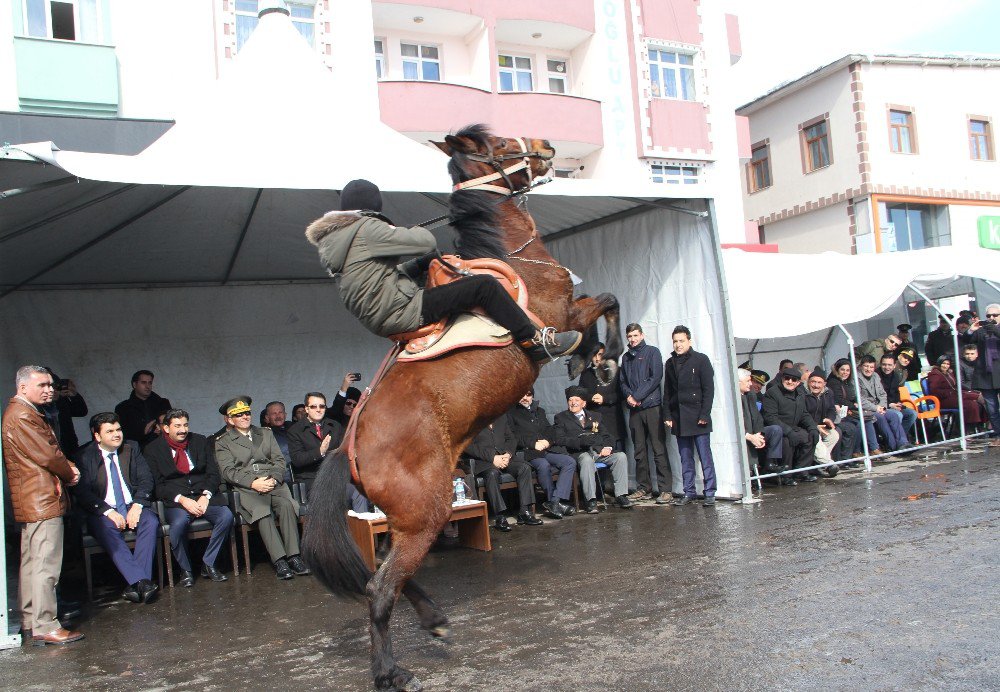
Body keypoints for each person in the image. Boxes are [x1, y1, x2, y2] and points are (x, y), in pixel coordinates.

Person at [304, 179, 582, 362]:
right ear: (372, 208)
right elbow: (426, 241)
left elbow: (376, 278)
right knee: (483, 286)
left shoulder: (338, 241)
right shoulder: (366, 229)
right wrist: (397, 231)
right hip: (403, 311)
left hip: (380, 318)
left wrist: (418, 265)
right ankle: (534, 341)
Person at [2, 365, 83, 645]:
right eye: (42, 385)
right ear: (23, 387)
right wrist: (70, 471)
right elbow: (48, 455)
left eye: (51, 384)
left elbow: (49, 452)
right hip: (41, 499)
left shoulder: (23, 413)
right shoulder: (23, 415)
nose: (49, 389)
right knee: (45, 565)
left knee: (32, 563)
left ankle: (30, 620)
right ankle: (45, 624)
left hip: (34, 498)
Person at [214, 396, 309, 580]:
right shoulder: (223, 441)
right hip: (247, 488)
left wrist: (273, 478)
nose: (244, 417)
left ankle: (294, 556)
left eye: (247, 413)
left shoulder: (265, 433)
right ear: (230, 419)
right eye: (239, 414)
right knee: (262, 511)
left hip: (272, 482)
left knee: (287, 505)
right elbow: (228, 471)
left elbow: (279, 460)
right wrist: (253, 482)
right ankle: (280, 560)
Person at [73, 412, 161, 604]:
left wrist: (138, 505)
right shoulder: (83, 455)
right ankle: (142, 581)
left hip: (132, 504)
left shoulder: (131, 448)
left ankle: (137, 583)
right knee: (105, 528)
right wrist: (107, 511)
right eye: (110, 431)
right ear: (97, 436)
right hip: (102, 509)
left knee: (151, 521)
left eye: (118, 429)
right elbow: (82, 492)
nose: (116, 434)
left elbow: (146, 479)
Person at [144, 409, 235, 587]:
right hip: (177, 500)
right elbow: (158, 485)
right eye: (177, 426)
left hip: (203, 495)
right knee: (178, 525)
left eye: (185, 425)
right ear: (165, 428)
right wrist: (182, 500)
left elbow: (213, 474)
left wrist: (205, 496)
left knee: (226, 516)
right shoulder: (153, 449)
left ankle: (209, 564)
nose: (182, 430)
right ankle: (185, 570)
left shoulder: (200, 441)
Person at [552, 386, 633, 512]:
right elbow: (559, 439)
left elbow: (607, 435)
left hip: (598, 450)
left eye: (577, 400)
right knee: (586, 460)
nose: (573, 403)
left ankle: (621, 495)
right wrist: (580, 442)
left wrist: (607, 447)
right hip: (579, 453)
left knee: (620, 456)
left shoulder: (595, 416)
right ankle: (591, 500)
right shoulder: (561, 417)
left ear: (584, 403)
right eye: (570, 400)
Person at [662, 326, 717, 506]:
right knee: (685, 457)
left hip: (698, 416)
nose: (678, 345)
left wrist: (705, 414)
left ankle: (710, 492)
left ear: (689, 341)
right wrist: (668, 414)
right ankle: (689, 491)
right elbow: (668, 391)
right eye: (675, 341)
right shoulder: (670, 363)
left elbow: (708, 390)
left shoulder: (701, 360)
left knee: (704, 456)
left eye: (681, 341)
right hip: (679, 417)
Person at [459, 413, 542, 532]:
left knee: (524, 468)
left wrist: (508, 454)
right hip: (485, 461)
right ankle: (500, 516)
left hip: (505, 457)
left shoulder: (501, 417)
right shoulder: (470, 420)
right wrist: (492, 457)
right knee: (492, 474)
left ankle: (525, 511)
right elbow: (467, 445)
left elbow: (511, 438)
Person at [286, 392, 367, 512]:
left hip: (335, 477)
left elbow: (342, 451)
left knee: (358, 492)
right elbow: (297, 460)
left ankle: (361, 529)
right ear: (306, 409)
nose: (318, 410)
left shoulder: (334, 426)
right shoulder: (295, 430)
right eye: (314, 406)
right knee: (332, 497)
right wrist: (319, 452)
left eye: (322, 406)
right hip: (312, 480)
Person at [619, 323, 670, 503]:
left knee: (658, 449)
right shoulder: (625, 358)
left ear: (642, 335)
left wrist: (638, 395)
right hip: (635, 410)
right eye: (630, 336)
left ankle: (665, 490)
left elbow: (655, 377)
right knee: (639, 450)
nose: (632, 339)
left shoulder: (652, 352)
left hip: (651, 406)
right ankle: (644, 487)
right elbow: (622, 382)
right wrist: (629, 397)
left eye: (635, 335)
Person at [509, 390, 577, 519]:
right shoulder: (511, 413)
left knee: (569, 461)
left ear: (532, 396)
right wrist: (532, 444)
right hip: (527, 452)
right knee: (543, 464)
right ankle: (555, 502)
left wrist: (547, 441)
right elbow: (513, 436)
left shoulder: (540, 411)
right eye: (522, 394)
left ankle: (555, 501)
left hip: (545, 450)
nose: (525, 397)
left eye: (528, 395)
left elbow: (549, 430)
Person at [762, 367, 819, 483]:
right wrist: (788, 431)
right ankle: (785, 476)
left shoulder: (800, 394)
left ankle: (802, 471)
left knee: (810, 437)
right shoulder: (772, 393)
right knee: (787, 442)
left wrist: (813, 427)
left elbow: (804, 413)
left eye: (794, 380)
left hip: (793, 427)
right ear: (782, 379)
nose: (790, 382)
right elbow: (770, 417)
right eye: (787, 378)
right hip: (778, 430)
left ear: (798, 382)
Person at [578, 342, 626, 452]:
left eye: (599, 354)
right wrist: (591, 397)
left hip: (614, 425)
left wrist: (605, 399)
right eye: (594, 355)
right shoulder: (586, 374)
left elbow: (622, 393)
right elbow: (580, 394)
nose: (597, 358)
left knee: (619, 458)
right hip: (595, 426)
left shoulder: (616, 371)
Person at [737, 369, 784, 478]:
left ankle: (770, 464)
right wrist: (749, 436)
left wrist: (759, 434)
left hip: (754, 432)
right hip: (743, 435)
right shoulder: (731, 399)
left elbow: (758, 418)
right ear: (738, 382)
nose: (751, 384)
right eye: (748, 381)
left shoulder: (751, 395)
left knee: (776, 430)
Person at [856, 355, 908, 453]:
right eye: (866, 366)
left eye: (871, 367)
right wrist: (876, 408)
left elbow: (882, 394)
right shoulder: (856, 378)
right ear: (861, 366)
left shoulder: (875, 376)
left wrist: (882, 407)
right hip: (867, 409)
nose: (868, 369)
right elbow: (860, 399)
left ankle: (903, 443)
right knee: (880, 417)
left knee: (893, 416)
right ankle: (893, 447)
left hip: (879, 406)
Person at [965, 305, 1000, 446]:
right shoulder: (982, 331)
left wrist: (996, 331)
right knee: (992, 409)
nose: (991, 318)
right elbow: (967, 340)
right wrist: (971, 330)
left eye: (995, 315)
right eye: (988, 316)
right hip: (986, 375)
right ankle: (998, 435)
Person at [114, 370, 172, 447]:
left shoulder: (163, 404)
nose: (148, 386)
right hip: (136, 451)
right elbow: (121, 434)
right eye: (143, 382)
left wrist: (161, 430)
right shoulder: (123, 408)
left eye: (150, 383)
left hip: (163, 448)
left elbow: (172, 427)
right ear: (134, 384)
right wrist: (143, 433)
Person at [926, 355, 985, 430]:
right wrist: (950, 392)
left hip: (954, 396)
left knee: (978, 401)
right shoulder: (935, 374)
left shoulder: (949, 373)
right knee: (971, 404)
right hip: (943, 400)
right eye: (944, 363)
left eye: (948, 364)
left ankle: (980, 425)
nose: (945, 366)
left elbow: (956, 385)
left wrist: (969, 389)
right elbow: (934, 390)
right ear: (939, 363)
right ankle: (968, 429)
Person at [803, 369, 841, 477]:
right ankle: (829, 465)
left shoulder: (828, 393)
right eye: (813, 382)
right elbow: (803, 414)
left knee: (833, 435)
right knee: (816, 437)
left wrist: (829, 419)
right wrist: (814, 426)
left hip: (821, 425)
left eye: (819, 382)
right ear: (808, 382)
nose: (815, 385)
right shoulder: (803, 393)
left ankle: (818, 464)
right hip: (806, 426)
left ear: (824, 384)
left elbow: (831, 409)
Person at [42, 369, 87, 456]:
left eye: (56, 387)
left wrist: (74, 395)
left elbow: (81, 411)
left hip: (69, 445)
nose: (53, 390)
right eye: (49, 387)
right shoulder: (37, 406)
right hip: (51, 450)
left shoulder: (61, 401)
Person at [878, 354, 917, 443]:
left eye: (889, 365)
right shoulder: (876, 376)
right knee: (897, 415)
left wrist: (898, 403)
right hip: (882, 406)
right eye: (884, 364)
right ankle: (895, 441)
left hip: (894, 405)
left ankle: (899, 439)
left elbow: (896, 392)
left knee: (912, 414)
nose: (886, 367)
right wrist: (890, 405)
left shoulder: (895, 376)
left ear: (894, 366)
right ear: (880, 364)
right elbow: (875, 397)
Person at [261, 401, 294, 484]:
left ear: (285, 415)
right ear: (267, 418)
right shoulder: (263, 436)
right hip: (280, 479)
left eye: (280, 412)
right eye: (274, 413)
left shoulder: (295, 429)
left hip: (300, 476)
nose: (278, 416)